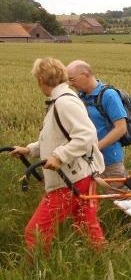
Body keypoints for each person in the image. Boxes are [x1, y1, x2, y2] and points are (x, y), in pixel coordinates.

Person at [10, 58, 105, 252]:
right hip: (79, 176)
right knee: (86, 227)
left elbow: (87, 135)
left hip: (70, 180)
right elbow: (58, 138)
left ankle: (35, 275)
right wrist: (30, 150)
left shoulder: (64, 103)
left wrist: (60, 156)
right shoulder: (60, 100)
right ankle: (103, 263)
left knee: (35, 231)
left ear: (42, 80)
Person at [66, 60, 128, 180]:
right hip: (86, 160)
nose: (71, 84)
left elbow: (121, 128)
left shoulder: (109, 95)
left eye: (72, 79)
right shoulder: (80, 97)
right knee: (89, 196)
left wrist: (95, 148)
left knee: (117, 195)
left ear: (85, 75)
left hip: (109, 160)